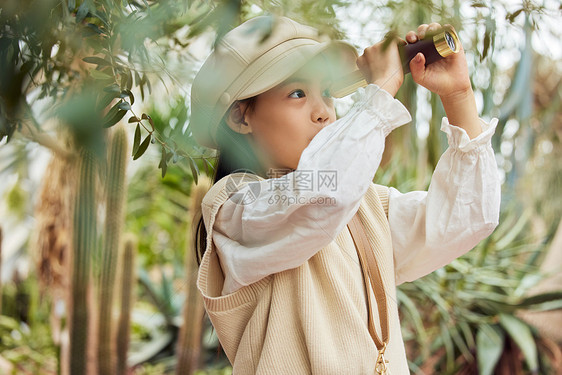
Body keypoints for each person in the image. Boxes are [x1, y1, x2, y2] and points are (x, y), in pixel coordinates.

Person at [190, 15, 500, 374]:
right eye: (297, 93)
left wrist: (458, 96)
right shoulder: (234, 206)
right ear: (240, 117)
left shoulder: (363, 204)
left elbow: (466, 218)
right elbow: (319, 195)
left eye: (327, 93)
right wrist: (380, 91)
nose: (323, 112)